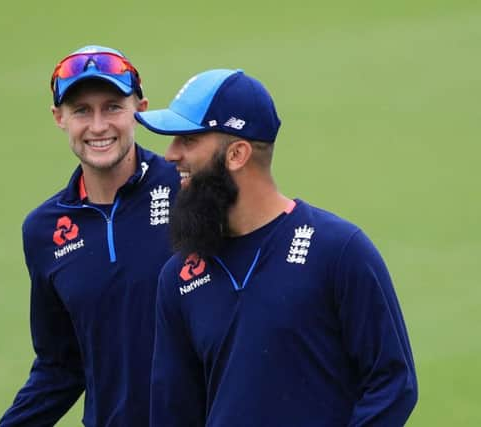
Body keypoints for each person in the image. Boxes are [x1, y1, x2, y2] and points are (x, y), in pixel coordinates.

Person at [135, 69, 418, 426]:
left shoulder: (338, 251)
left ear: (237, 154)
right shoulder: (177, 279)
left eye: (188, 140)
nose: (170, 154)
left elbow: (393, 384)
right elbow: (173, 414)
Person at [0, 45, 179, 427]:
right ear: (59, 118)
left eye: (113, 106)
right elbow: (60, 366)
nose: (98, 126)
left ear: (140, 109)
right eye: (82, 110)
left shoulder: (188, 190)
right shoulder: (44, 231)